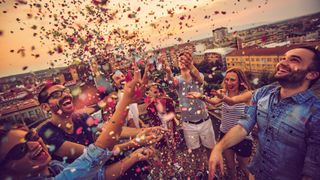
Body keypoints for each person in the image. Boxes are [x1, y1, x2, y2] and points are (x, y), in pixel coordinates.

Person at [0, 71, 164, 179]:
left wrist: (142, 131)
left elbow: (107, 129)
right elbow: (93, 155)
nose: (65, 95)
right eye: (57, 94)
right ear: (45, 107)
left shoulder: (81, 116)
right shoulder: (46, 133)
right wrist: (136, 142)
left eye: (65, 91)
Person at [208, 46, 320, 180]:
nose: (282, 63)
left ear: (312, 74)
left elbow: (312, 171)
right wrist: (219, 147)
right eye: (284, 58)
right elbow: (243, 125)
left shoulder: (315, 113)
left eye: (294, 60)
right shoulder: (263, 93)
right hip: (256, 174)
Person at [187, 68, 253, 180]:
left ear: (240, 81)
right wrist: (200, 96)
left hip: (242, 137)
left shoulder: (247, 94)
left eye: (232, 80)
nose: (228, 82)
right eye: (226, 79)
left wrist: (222, 96)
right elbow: (214, 101)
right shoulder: (224, 92)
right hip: (225, 134)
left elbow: (231, 101)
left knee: (245, 167)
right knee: (230, 166)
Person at [165, 51, 216, 175]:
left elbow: (199, 79)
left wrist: (191, 67)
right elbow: (171, 84)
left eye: (186, 60)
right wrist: (167, 71)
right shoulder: (177, 79)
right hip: (188, 124)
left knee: (210, 147)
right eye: (181, 60)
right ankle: (200, 168)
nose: (183, 62)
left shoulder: (199, 76)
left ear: (191, 62)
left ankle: (211, 169)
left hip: (204, 120)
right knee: (195, 149)